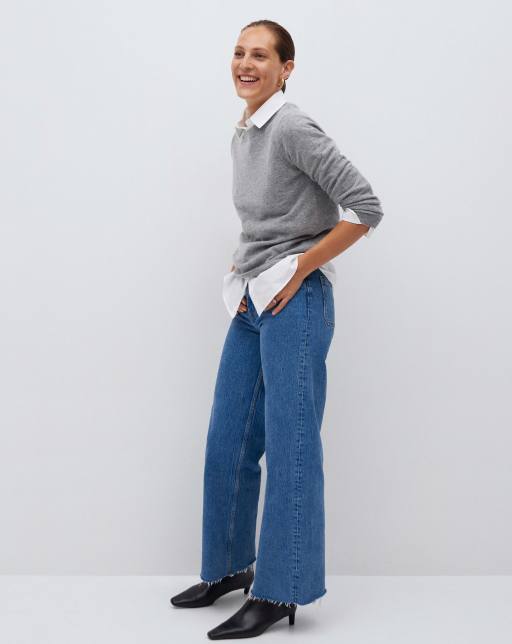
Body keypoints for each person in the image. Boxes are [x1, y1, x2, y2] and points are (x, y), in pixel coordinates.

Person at [170, 19, 384, 639]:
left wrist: (300, 268)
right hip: (254, 296)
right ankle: (228, 567)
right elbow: (269, 220)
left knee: (291, 447)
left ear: (286, 69)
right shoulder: (246, 129)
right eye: (240, 52)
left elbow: (366, 207)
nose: (246, 63)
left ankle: (280, 590)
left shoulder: (292, 127)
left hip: (297, 301)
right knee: (229, 439)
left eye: (261, 55)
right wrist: (245, 267)